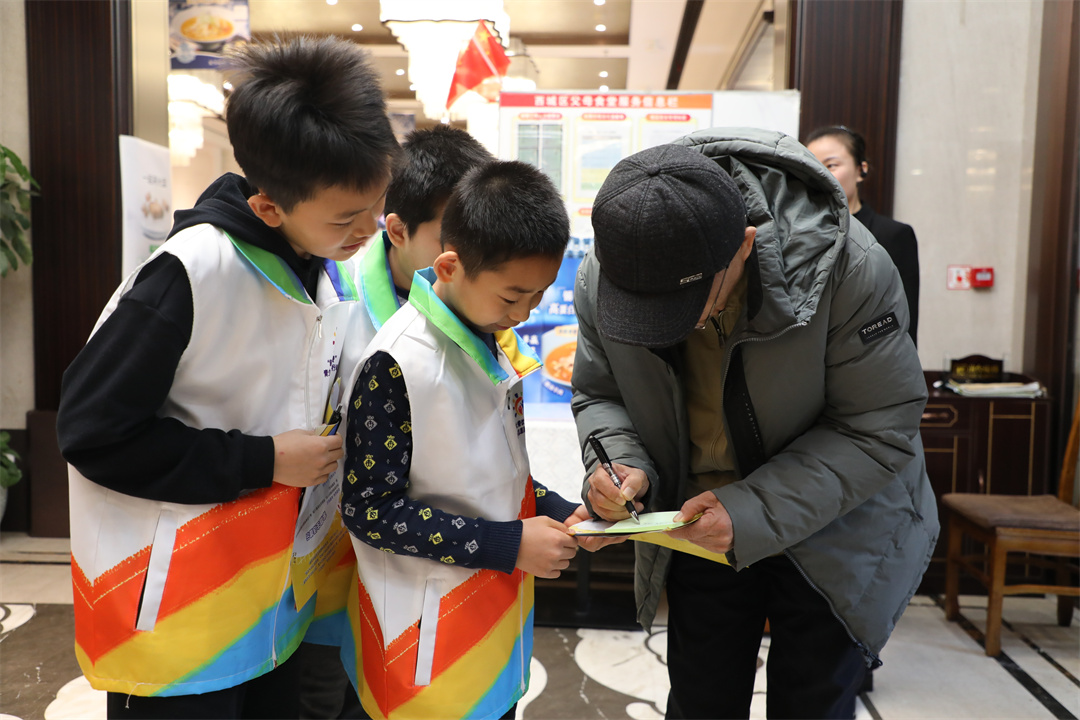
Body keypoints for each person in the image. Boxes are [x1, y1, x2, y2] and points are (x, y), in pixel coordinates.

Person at [56, 36, 399, 719]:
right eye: (346, 217)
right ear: (269, 207)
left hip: (264, 604)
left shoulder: (315, 265)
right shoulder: (188, 275)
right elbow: (92, 434)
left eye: (376, 203)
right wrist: (264, 459)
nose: (372, 227)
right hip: (176, 617)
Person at [572, 134, 938, 719]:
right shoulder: (614, 270)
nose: (668, 327)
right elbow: (602, 390)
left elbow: (877, 425)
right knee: (701, 700)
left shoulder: (848, 265)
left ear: (745, 245)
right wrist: (618, 464)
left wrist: (748, 510)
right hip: (698, 517)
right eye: (643, 311)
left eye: (686, 306)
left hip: (836, 519)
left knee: (812, 703)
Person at [338, 160, 605, 720]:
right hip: (419, 638)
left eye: (538, 297)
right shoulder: (396, 362)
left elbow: (492, 473)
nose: (524, 313)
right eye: (512, 297)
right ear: (450, 266)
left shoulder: (487, 338)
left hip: (491, 622)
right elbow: (369, 511)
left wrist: (563, 512)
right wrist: (509, 544)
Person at [300, 122, 497, 720]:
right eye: (452, 234)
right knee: (324, 698)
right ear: (397, 230)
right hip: (327, 562)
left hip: (425, 568)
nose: (470, 251)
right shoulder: (333, 300)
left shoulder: (477, 309)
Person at [806, 125, 921, 345]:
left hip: (871, 357)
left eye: (831, 165)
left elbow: (902, 318)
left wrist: (851, 343)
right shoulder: (802, 235)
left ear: (861, 169)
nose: (820, 175)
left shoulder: (893, 235)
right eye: (811, 167)